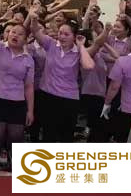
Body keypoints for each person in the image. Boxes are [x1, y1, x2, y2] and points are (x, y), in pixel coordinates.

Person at [0, 16, 34, 171]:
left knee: (16, 136)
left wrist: (30, 111)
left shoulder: (28, 59)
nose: (15, 35)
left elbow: (29, 86)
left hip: (17, 102)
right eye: (13, 32)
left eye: (20, 34)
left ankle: (17, 169)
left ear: (26, 40)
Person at [29, 13, 95, 143]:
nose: (62, 37)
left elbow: (89, 66)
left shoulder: (78, 51)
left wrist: (81, 46)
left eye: (66, 34)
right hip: (48, 96)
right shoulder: (51, 44)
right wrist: (34, 19)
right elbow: (35, 31)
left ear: (74, 36)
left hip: (69, 99)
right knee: (48, 135)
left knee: (66, 137)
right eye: (60, 33)